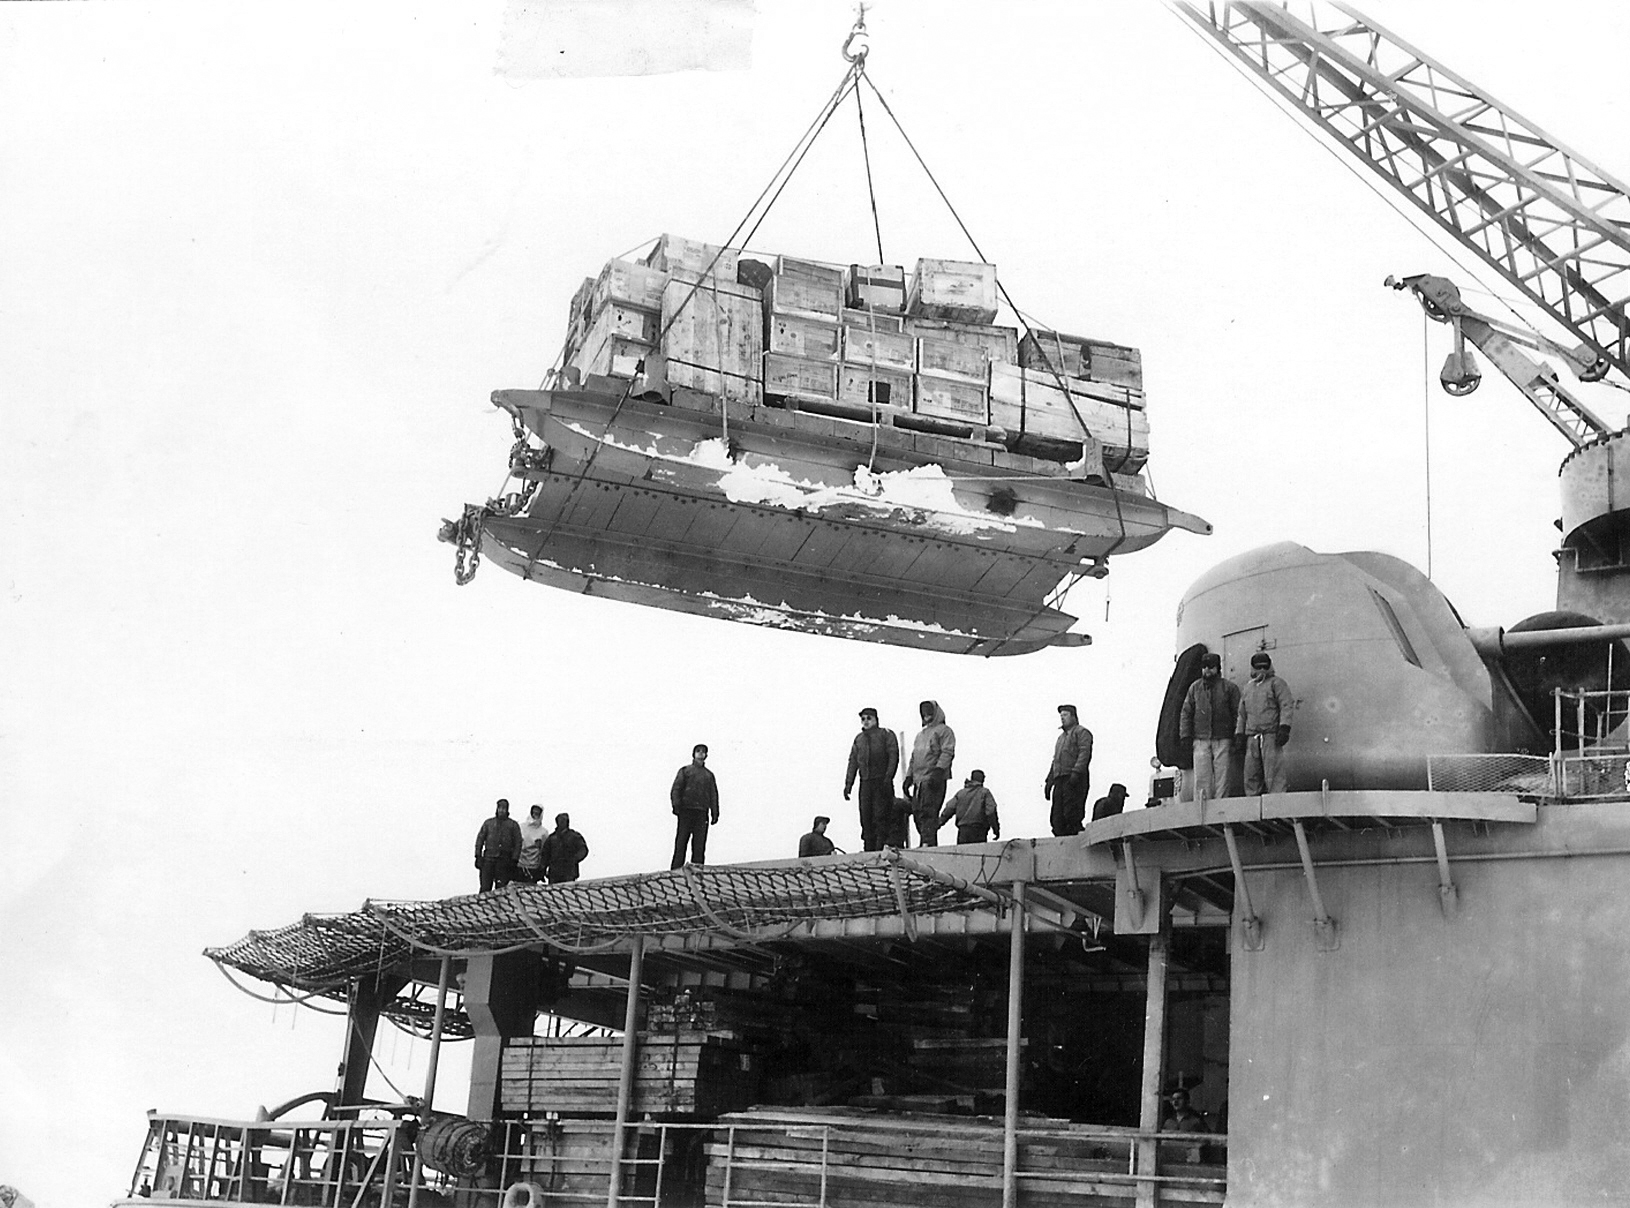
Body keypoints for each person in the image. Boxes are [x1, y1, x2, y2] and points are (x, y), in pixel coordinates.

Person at [1180, 653, 1242, 801]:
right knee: (1201, 779)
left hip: (1223, 739)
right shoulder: (1194, 688)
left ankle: (1221, 812)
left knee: (1223, 778)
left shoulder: (1229, 688)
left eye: (1211, 667)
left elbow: (1238, 713)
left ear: (1218, 668)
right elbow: (1186, 712)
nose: (1207, 670)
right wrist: (1185, 736)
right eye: (1204, 667)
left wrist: (1239, 734)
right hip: (1200, 740)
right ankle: (1201, 814)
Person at [1236, 652, 1294, 795]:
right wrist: (1239, 734)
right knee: (1251, 775)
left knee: (1274, 775)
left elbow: (1286, 705)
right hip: (1252, 738)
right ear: (1253, 668)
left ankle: (1277, 809)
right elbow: (1242, 714)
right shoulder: (1248, 688)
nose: (1261, 670)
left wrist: (1284, 727)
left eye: (1264, 667)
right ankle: (1253, 810)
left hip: (1270, 736)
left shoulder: (1277, 683)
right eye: (1258, 667)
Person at [844, 707, 900, 852]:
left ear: (876, 719)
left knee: (881, 816)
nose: (865, 721)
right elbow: (853, 762)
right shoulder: (859, 739)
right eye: (863, 719)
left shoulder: (885, 734)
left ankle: (881, 847)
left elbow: (893, 755)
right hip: (866, 782)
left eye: (869, 718)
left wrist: (889, 776)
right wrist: (848, 784)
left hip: (882, 780)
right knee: (865, 816)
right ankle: (869, 848)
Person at [902, 701, 955, 847]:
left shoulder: (944, 731)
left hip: (933, 779)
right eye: (923, 712)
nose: (926, 715)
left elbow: (947, 751)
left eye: (929, 711)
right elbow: (914, 757)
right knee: (917, 813)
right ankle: (925, 842)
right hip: (919, 781)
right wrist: (909, 777)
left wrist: (938, 771)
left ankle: (928, 843)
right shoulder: (920, 735)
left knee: (928, 813)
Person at [1044, 704, 1093, 836]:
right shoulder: (1061, 738)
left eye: (1065, 715)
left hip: (1074, 778)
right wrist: (1049, 780)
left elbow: (1084, 753)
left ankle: (1074, 837)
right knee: (1057, 817)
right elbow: (1056, 760)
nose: (1062, 718)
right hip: (1060, 779)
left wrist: (1076, 772)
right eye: (1061, 716)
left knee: (1072, 814)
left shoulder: (1082, 732)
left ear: (1073, 716)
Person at [670, 744, 720, 868]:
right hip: (686, 811)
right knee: (681, 843)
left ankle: (698, 873)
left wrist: (715, 812)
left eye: (703, 752)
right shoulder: (685, 771)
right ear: (693, 754)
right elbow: (676, 789)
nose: (700, 754)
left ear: (706, 755)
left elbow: (713, 794)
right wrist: (676, 806)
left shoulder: (709, 775)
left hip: (702, 813)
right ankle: (675, 872)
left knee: (699, 846)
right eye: (698, 751)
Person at [938, 770, 1001, 844]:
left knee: (963, 854)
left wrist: (938, 823)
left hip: (963, 832)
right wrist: (996, 829)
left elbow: (949, 809)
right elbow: (991, 811)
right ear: (982, 779)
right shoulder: (985, 792)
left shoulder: (960, 793)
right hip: (979, 831)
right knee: (977, 853)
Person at [474, 798, 522, 892]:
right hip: (488, 859)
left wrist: (514, 859)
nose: (501, 810)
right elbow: (480, 839)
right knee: (485, 888)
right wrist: (478, 856)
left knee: (501, 890)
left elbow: (518, 843)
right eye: (500, 808)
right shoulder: (488, 823)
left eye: (504, 808)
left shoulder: (513, 825)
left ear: (507, 810)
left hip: (504, 861)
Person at [538, 812, 590, 883]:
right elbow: (545, 855)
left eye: (564, 820)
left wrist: (574, 859)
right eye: (560, 820)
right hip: (554, 874)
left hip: (569, 873)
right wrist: (542, 869)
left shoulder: (574, 836)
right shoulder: (551, 838)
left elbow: (583, 850)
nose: (562, 822)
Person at [516, 804, 549, 883]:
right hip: (520, 864)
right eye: (533, 813)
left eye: (537, 814)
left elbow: (545, 851)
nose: (535, 815)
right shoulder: (521, 827)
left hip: (533, 867)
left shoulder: (543, 832)